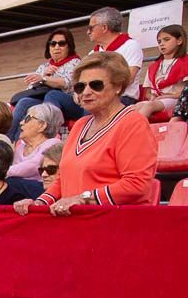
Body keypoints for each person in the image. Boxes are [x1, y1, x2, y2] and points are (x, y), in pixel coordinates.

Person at [16, 52, 158, 215]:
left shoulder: (133, 123)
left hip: (115, 224)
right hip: (78, 224)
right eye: (80, 87)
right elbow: (65, 179)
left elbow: (136, 184)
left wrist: (84, 198)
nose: (86, 92)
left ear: (118, 86)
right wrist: (39, 203)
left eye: (96, 85)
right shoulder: (80, 125)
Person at [7, 27, 81, 140]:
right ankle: (10, 142)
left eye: (61, 43)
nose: (57, 47)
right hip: (43, 100)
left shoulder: (75, 62)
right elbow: (31, 88)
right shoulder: (44, 67)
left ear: (69, 46)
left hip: (70, 101)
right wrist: (44, 76)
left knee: (52, 95)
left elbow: (67, 83)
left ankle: (46, 137)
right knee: (24, 102)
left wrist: (44, 79)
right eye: (53, 44)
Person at [82, 7, 145, 105]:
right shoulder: (92, 53)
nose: (88, 32)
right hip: (94, 97)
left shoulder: (131, 45)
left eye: (91, 28)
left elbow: (128, 79)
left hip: (122, 98)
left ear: (104, 28)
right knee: (54, 95)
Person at [137, 24, 187, 119]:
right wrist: (152, 97)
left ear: (179, 41)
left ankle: (135, 131)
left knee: (149, 106)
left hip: (177, 100)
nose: (161, 44)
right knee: (132, 108)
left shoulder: (185, 63)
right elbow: (148, 92)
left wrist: (164, 97)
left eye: (166, 40)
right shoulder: (153, 66)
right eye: (159, 41)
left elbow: (185, 93)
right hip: (158, 100)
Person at [8, 103, 63, 180]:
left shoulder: (53, 144)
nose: (21, 123)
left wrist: (2, 172)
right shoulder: (20, 148)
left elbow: (35, 165)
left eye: (27, 119)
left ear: (42, 126)